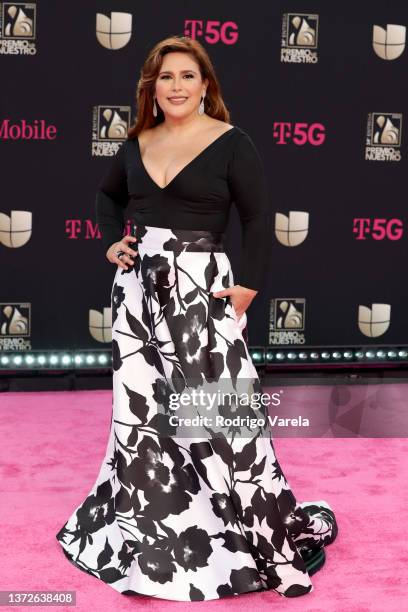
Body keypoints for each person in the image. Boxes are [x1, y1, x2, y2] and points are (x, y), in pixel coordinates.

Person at [56, 35, 338, 602]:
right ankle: (156, 537)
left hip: (203, 294)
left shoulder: (232, 143)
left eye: (187, 75)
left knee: (223, 419)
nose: (177, 86)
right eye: (166, 77)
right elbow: (106, 200)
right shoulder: (137, 142)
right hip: (137, 298)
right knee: (146, 419)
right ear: (152, 88)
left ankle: (249, 532)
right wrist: (113, 243)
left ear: (205, 84)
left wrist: (247, 290)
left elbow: (259, 220)